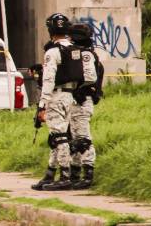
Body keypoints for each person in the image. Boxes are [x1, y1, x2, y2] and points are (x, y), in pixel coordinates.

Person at [31, 13, 94, 191]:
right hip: (70, 95)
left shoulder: (53, 51)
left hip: (56, 95)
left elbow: (49, 80)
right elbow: (87, 76)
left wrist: (42, 104)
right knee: (60, 135)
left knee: (59, 137)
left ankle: (64, 175)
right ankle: (51, 173)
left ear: (50, 30)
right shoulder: (75, 50)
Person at [68, 23, 104, 190]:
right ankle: (74, 173)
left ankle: (88, 173)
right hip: (77, 100)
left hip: (82, 100)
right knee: (74, 137)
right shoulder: (82, 53)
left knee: (83, 138)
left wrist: (79, 88)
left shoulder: (86, 55)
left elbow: (89, 77)